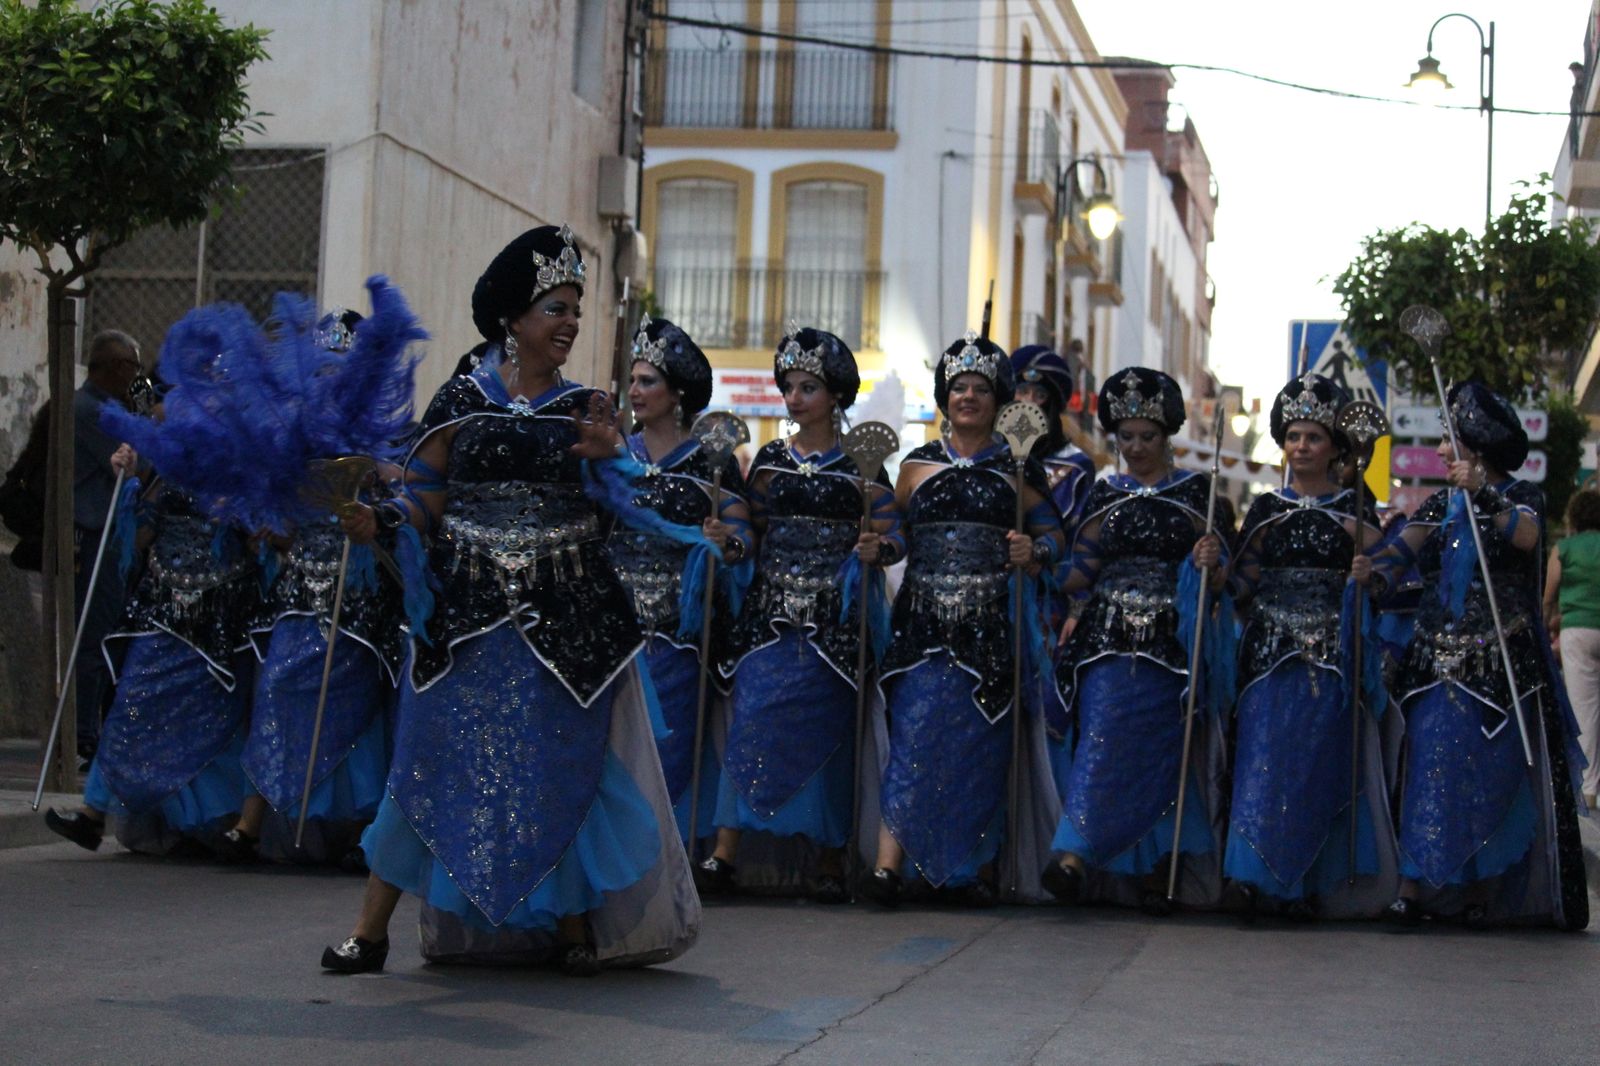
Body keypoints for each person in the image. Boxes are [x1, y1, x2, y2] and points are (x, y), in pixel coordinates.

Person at [321, 225, 698, 975]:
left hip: (565, 625)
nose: (571, 323)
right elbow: (425, 495)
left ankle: (572, 927)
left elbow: (631, 512)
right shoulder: (461, 400)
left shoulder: (587, 408)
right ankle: (370, 931)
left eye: (576, 310)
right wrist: (381, 520)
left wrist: (614, 464)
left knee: (561, 764)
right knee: (428, 761)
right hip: (464, 622)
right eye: (556, 308)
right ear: (512, 318)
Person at [1369, 382, 1588, 929]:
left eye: (1449, 441)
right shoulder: (1439, 505)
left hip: (1501, 668)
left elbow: (1527, 537)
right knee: (1425, 768)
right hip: (1433, 666)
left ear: (1477, 446)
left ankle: (1480, 891)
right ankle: (1411, 888)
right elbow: (1398, 556)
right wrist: (1369, 572)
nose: (1441, 451)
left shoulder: (1522, 496)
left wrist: (1485, 494)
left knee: (1490, 774)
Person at [697, 326, 896, 903]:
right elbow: (751, 534)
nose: (794, 398)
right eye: (788, 387)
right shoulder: (768, 461)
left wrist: (878, 549)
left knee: (831, 735)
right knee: (751, 719)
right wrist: (729, 543)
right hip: (768, 621)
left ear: (835, 395)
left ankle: (830, 859)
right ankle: (724, 852)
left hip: (836, 626)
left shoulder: (862, 463)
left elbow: (893, 530)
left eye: (808, 387)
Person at [866, 332, 1065, 906]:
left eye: (980, 388)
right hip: (921, 624)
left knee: (978, 748)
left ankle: (970, 871)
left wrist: (1034, 551)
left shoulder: (1018, 466)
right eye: (959, 387)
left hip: (990, 627)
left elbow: (1056, 536)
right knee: (913, 737)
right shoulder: (916, 465)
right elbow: (897, 530)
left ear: (998, 399)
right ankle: (887, 865)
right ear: (944, 397)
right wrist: (882, 547)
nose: (969, 396)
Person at [225, 308, 406, 866]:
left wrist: (378, 482)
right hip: (301, 592)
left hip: (360, 598)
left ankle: (359, 829)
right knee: (276, 688)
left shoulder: (387, 437)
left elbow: (410, 505)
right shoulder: (294, 440)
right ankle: (250, 824)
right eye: (323, 371)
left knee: (354, 704)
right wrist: (270, 526)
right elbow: (281, 527)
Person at [1043, 368, 1226, 915]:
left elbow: (1229, 577)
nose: (1137, 447)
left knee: (1163, 755)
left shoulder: (1198, 494)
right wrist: (1037, 562)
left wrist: (1211, 563)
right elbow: (1082, 569)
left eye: (1148, 436)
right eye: (1126, 436)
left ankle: (1157, 871)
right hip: (1106, 641)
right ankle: (1072, 856)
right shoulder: (1105, 494)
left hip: (1172, 646)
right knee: (1099, 739)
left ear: (1166, 436)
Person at [1221, 374, 1398, 920]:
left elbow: (1391, 577)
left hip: (1330, 659)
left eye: (1314, 437)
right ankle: (1250, 878)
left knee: (1314, 767)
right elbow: (1241, 583)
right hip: (1267, 657)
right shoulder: (1265, 508)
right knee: (1261, 760)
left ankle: (1305, 884)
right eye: (1294, 436)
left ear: (1333, 446)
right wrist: (1211, 572)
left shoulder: (1356, 510)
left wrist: (1369, 574)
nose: (1301, 446)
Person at [44, 471, 258, 855]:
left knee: (209, 716)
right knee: (132, 699)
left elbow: (267, 537)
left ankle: (213, 823)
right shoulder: (165, 464)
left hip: (220, 612)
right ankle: (94, 813)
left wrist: (241, 514)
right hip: (161, 607)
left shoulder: (250, 461)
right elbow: (142, 537)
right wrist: (130, 485)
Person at [611, 314, 751, 845]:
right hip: (617, 630)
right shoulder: (616, 453)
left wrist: (725, 542)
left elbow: (743, 533)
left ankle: (663, 855)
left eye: (647, 381)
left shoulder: (709, 463)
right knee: (616, 746)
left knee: (670, 744)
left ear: (676, 395)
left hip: (680, 634)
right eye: (633, 380)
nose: (635, 390)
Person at [72, 330, 146, 765]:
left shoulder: (108, 409)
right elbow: (137, 464)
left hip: (114, 534)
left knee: (111, 635)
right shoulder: (91, 410)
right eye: (134, 368)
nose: (137, 378)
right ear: (118, 367)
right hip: (96, 532)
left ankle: (99, 725)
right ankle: (83, 731)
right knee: (94, 635)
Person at [1545, 488, 1600, 807]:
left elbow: (1549, 595)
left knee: (1584, 708)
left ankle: (1589, 788)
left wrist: (1546, 624)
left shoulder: (1564, 549)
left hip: (1577, 631)